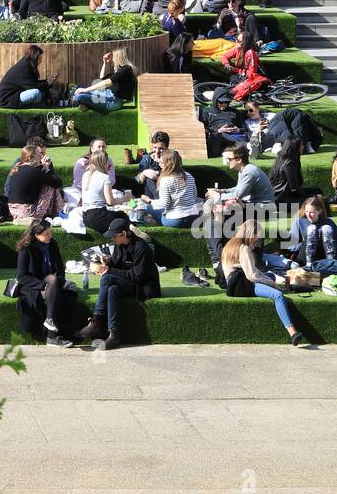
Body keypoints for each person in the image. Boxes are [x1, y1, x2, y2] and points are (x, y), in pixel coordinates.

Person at [75, 216, 162, 351]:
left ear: (124, 234)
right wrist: (106, 262)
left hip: (144, 286)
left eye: (114, 236)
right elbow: (115, 262)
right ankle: (114, 335)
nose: (111, 239)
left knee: (107, 278)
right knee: (112, 290)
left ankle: (97, 321)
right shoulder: (119, 244)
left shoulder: (141, 248)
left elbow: (137, 275)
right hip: (129, 282)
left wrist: (110, 270)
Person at [219, 220, 302, 345]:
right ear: (250, 233)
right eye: (256, 235)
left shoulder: (230, 244)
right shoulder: (244, 248)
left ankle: (277, 283)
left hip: (233, 283)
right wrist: (273, 285)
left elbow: (251, 272)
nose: (257, 239)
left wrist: (268, 278)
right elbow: (252, 276)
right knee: (278, 296)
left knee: (269, 276)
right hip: (242, 285)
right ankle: (293, 333)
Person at [13, 219, 75, 347]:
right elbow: (22, 276)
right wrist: (43, 286)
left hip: (51, 280)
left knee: (55, 284)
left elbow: (60, 268)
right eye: (46, 234)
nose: (50, 236)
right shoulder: (26, 248)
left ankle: (50, 322)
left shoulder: (52, 243)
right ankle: (52, 337)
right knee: (55, 293)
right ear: (36, 235)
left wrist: (59, 281)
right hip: (32, 283)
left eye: (50, 232)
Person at [4, 140, 64, 222]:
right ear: (31, 157)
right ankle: (59, 213)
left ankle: (55, 213)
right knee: (50, 186)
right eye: (39, 154)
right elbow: (57, 183)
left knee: (48, 182)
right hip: (27, 212)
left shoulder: (17, 168)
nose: (41, 157)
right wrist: (47, 169)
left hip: (12, 211)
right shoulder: (34, 171)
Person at [140, 150, 200, 226]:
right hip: (193, 217)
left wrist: (149, 201)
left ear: (168, 164)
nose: (159, 164)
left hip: (176, 219)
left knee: (148, 208)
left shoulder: (166, 180)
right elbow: (194, 197)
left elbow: (164, 203)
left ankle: (156, 221)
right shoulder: (189, 176)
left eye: (161, 162)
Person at [221, 23, 269, 102]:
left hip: (255, 79)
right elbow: (225, 56)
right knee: (232, 80)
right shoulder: (237, 49)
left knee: (234, 86)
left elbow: (251, 73)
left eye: (238, 40)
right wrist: (227, 64)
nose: (235, 41)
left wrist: (240, 79)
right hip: (244, 76)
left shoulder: (250, 53)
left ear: (245, 42)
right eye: (236, 39)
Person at [0, 44, 51, 109]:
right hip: (6, 99)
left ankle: (34, 104)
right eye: (39, 59)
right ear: (34, 58)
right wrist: (47, 83)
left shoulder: (27, 65)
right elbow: (31, 87)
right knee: (36, 93)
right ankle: (33, 105)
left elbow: (32, 82)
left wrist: (46, 81)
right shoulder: (24, 68)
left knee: (39, 93)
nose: (41, 61)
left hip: (15, 94)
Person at [268, 138, 307, 204]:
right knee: (314, 201)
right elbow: (294, 189)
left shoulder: (283, 159)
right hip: (282, 200)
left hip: (283, 195)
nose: (303, 147)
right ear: (295, 147)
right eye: (302, 145)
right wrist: (308, 198)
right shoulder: (289, 164)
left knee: (317, 191)